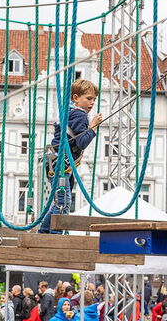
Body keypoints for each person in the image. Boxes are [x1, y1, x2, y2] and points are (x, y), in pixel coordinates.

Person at [39, 79, 102, 234]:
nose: (92, 103)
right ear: (75, 98)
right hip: (61, 163)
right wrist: (93, 127)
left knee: (60, 202)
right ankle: (53, 235)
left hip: (57, 162)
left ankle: (44, 232)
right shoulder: (79, 115)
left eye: (94, 99)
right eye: (88, 98)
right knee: (63, 203)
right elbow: (81, 142)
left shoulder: (69, 112)